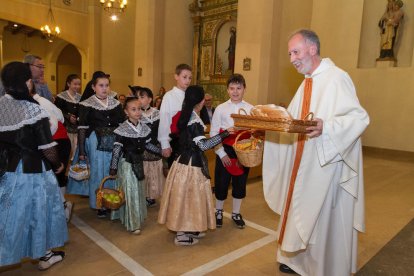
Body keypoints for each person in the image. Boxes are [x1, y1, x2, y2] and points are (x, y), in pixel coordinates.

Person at [262, 29, 370, 276]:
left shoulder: (336, 77)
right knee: (299, 206)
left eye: (295, 51)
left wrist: (327, 127)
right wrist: (268, 127)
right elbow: (291, 120)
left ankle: (323, 267)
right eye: (290, 53)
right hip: (304, 160)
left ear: (312, 49)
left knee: (320, 215)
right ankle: (298, 261)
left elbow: (359, 117)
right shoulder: (307, 82)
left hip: (328, 162)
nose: (292, 58)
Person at [0, 61, 67, 270]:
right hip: (33, 170)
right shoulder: (33, 109)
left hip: (6, 170)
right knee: (39, 212)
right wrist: (58, 164)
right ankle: (45, 255)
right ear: (26, 81)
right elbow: (47, 146)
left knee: (9, 215)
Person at [158, 85, 234, 246]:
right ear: (200, 101)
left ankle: (190, 228)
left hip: (184, 162)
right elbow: (204, 145)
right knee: (187, 198)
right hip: (190, 165)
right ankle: (181, 234)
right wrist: (226, 132)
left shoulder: (188, 115)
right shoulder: (193, 121)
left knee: (189, 198)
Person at [67, 72, 125, 218]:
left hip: (113, 141)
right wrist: (81, 151)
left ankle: (114, 198)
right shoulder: (86, 104)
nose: (104, 89)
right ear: (93, 87)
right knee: (98, 171)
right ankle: (100, 204)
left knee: (113, 169)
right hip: (95, 142)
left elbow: (122, 124)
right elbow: (82, 129)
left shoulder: (116, 103)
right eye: (101, 85)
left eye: (107, 85)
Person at [109, 97, 161, 234]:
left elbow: (148, 145)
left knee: (138, 191)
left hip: (139, 163)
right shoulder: (122, 129)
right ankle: (133, 224)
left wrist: (161, 152)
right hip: (126, 164)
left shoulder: (143, 127)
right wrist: (113, 168)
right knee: (129, 192)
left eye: (139, 109)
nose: (138, 112)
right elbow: (116, 150)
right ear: (126, 112)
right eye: (133, 109)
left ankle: (135, 216)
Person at [210, 74, 253, 229]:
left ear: (244, 89)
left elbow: (254, 133)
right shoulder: (221, 109)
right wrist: (221, 153)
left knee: (240, 184)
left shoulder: (250, 109)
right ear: (227, 90)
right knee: (221, 184)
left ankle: (236, 213)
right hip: (225, 150)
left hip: (242, 151)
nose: (235, 92)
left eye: (239, 88)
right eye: (232, 88)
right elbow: (214, 133)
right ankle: (218, 211)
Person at [31, 85, 74, 223]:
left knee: (56, 174)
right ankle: (62, 207)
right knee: (53, 176)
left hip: (57, 141)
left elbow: (54, 123)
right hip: (52, 141)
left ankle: (63, 208)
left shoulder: (41, 102)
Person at [132, 86, 166, 207]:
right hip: (142, 147)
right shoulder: (136, 113)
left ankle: (151, 195)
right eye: (138, 97)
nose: (139, 99)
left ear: (150, 99)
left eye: (142, 97)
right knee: (144, 171)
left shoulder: (157, 113)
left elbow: (163, 130)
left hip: (155, 146)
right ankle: (143, 194)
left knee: (154, 171)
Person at [158, 63, 192, 167]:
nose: (187, 80)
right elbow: (165, 119)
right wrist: (165, 143)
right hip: (176, 140)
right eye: (184, 77)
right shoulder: (169, 96)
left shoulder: (190, 95)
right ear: (176, 76)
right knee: (175, 174)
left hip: (189, 141)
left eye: (190, 78)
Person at [55, 74, 82, 160]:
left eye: (79, 84)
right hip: (66, 128)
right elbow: (57, 111)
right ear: (68, 84)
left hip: (77, 128)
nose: (77, 86)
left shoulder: (80, 97)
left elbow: (82, 112)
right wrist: (68, 116)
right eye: (75, 84)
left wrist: (78, 118)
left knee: (77, 151)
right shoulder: (61, 97)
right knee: (67, 151)